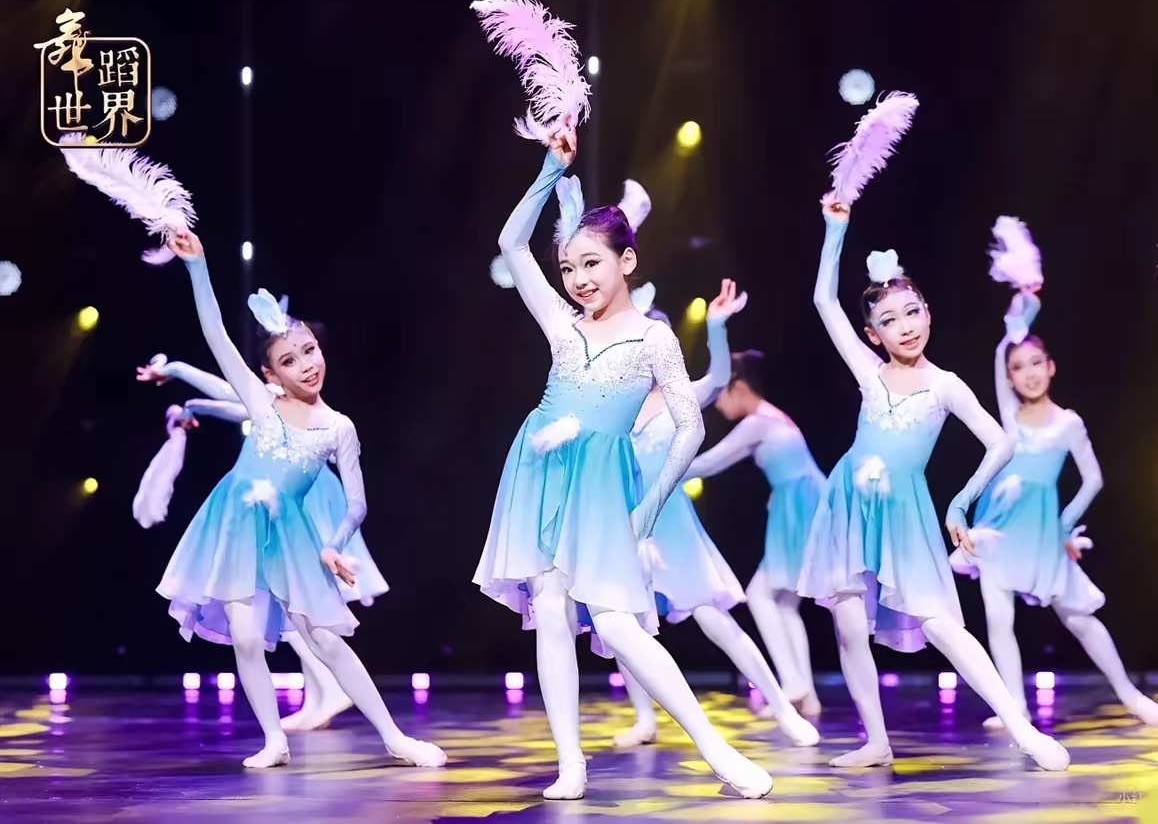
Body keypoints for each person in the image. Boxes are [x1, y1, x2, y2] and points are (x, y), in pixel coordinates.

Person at [471, 119, 772, 800]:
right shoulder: (561, 324)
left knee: (615, 622)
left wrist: (649, 507)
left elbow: (690, 426)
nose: (578, 278)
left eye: (591, 264)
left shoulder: (652, 339)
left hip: (606, 485)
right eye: (569, 267)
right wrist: (550, 170)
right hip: (541, 473)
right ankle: (570, 763)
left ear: (626, 261)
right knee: (551, 608)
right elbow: (510, 244)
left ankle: (716, 749)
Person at [796, 200, 1069, 771]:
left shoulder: (945, 385)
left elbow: (1001, 443)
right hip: (849, 503)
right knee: (849, 625)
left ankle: (1022, 728)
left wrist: (960, 502)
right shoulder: (870, 372)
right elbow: (823, 300)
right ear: (873, 335)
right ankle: (876, 740)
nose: (905, 326)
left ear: (928, 313)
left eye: (912, 311)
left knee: (943, 624)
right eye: (889, 320)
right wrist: (835, 229)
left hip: (906, 512)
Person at [156, 229, 443, 769]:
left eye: (309, 350)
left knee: (326, 639)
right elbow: (215, 332)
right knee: (246, 638)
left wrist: (335, 544)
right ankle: (274, 739)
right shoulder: (261, 403)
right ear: (272, 374)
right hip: (235, 526)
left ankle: (394, 737)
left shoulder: (338, 427)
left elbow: (357, 504)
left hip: (292, 536)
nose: (307, 364)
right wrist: (197, 266)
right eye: (290, 360)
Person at [135, 354, 389, 730]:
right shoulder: (272, 399)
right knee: (287, 601)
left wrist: (177, 376)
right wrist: (189, 397)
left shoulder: (286, 401)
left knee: (296, 598)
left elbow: (227, 394)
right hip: (290, 495)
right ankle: (318, 695)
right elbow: (231, 399)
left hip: (296, 496)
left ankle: (331, 688)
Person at [614, 282, 818, 748]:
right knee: (622, 621)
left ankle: (783, 707)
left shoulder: (681, 395)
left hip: (672, 522)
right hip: (626, 522)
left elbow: (720, 375)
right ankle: (644, 718)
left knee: (713, 617)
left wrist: (717, 328)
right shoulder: (616, 408)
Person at [950, 289, 1158, 727]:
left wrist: (1064, 527)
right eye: (1018, 367)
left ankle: (1130, 695)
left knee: (1080, 618)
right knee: (998, 619)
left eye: (1035, 363)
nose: (1028, 373)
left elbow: (1094, 479)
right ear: (1009, 377)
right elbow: (1000, 350)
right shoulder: (1009, 415)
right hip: (997, 532)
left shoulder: (1068, 423)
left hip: (1043, 535)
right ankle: (1015, 707)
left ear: (1050, 367)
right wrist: (1022, 314)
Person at [682, 349, 826, 718]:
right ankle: (805, 694)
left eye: (721, 394)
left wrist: (663, 471)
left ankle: (791, 682)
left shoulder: (759, 422)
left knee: (760, 595)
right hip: (804, 504)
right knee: (785, 603)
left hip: (800, 507)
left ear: (740, 388)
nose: (718, 404)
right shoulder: (770, 419)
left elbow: (710, 462)